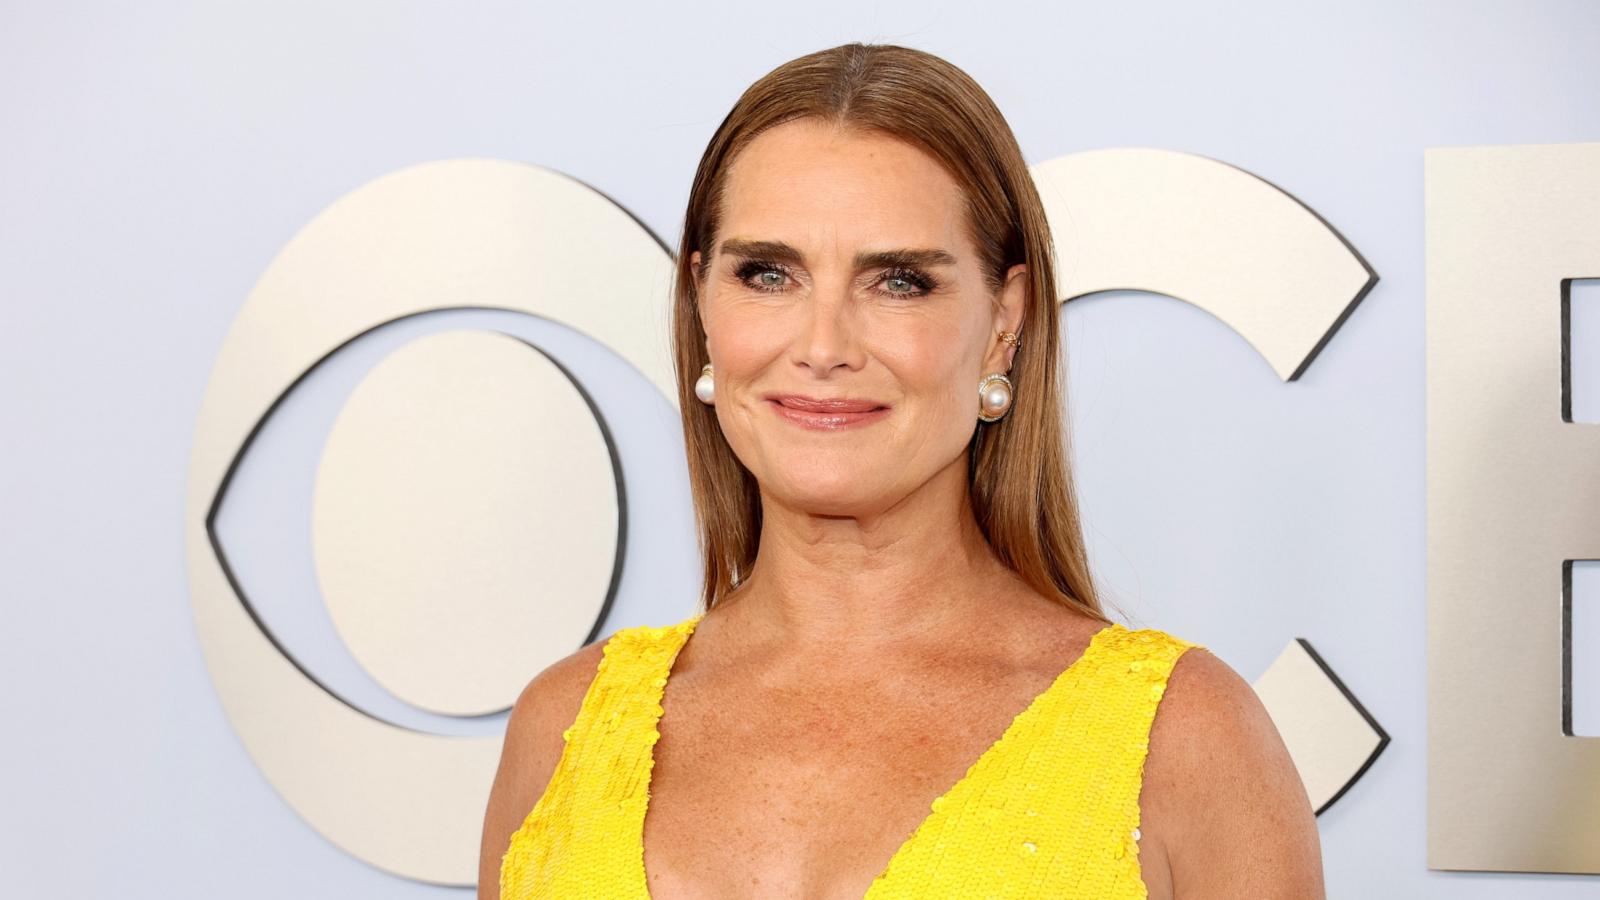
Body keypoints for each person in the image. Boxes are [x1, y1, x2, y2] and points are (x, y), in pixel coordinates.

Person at [480, 41, 1323, 899]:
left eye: (899, 283)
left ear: (1005, 319)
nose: (821, 346)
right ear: (701, 303)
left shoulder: (1186, 741)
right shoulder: (563, 728)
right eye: (768, 274)